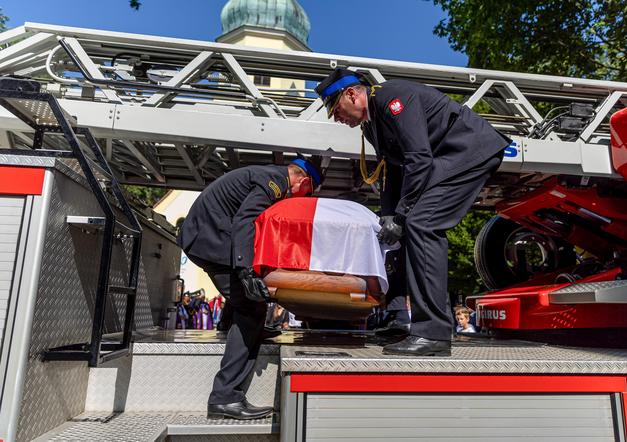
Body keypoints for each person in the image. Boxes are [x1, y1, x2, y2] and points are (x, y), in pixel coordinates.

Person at [315, 68, 510, 356]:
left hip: (468, 150)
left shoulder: (392, 98)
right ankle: (400, 320)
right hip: (446, 158)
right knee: (408, 230)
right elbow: (393, 172)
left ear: (352, 94)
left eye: (335, 108)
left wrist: (404, 216)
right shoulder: (372, 125)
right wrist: (390, 218)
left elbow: (418, 158)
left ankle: (432, 334)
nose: (336, 117)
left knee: (422, 224)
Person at [177, 157, 322, 419]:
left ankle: (231, 329)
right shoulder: (275, 182)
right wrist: (246, 271)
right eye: (307, 192)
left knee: (245, 298)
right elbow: (245, 220)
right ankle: (225, 397)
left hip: (206, 234)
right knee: (252, 308)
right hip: (210, 238)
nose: (302, 196)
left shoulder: (265, 173)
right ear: (303, 181)